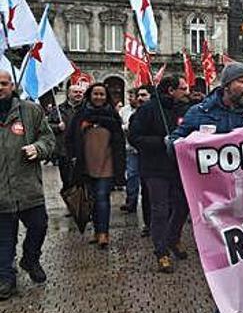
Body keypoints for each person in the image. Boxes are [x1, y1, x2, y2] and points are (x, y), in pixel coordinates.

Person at [168, 62, 243, 313]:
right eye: (241, 81)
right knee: (223, 258)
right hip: (215, 202)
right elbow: (179, 141)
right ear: (226, 86)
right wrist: (174, 143)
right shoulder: (200, 112)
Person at [0, 70, 55, 300]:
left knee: (39, 226)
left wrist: (38, 148)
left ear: (12, 85)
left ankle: (30, 258)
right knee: (4, 239)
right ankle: (6, 279)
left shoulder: (30, 111)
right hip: (1, 193)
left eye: (3, 83)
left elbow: (49, 140)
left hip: (27, 187)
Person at [129, 75, 192, 273]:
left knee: (182, 206)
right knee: (160, 210)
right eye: (182, 88)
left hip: (178, 167)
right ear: (171, 90)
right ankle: (161, 251)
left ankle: (173, 238)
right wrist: (161, 141)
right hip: (155, 168)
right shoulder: (148, 109)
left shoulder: (184, 108)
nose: (186, 92)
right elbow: (134, 137)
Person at [66, 83, 126, 249]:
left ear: (106, 96)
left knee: (102, 198)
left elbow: (120, 142)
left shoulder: (113, 116)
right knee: (91, 199)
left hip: (107, 163)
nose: (98, 97)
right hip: (85, 163)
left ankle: (103, 233)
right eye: (95, 94)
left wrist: (121, 165)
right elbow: (70, 138)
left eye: (102, 94)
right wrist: (72, 157)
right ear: (90, 96)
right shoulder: (81, 115)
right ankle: (96, 229)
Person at [48, 84, 85, 193]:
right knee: (67, 181)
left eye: (80, 92)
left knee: (82, 181)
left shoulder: (86, 109)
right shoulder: (59, 110)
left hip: (82, 151)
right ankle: (72, 203)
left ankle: (84, 205)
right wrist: (57, 127)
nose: (78, 94)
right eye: (75, 92)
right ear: (68, 94)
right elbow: (47, 126)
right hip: (64, 151)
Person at [120, 87, 150, 214]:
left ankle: (147, 203)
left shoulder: (151, 110)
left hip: (147, 151)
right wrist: (126, 127)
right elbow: (119, 125)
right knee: (132, 176)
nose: (138, 98)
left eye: (143, 95)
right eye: (137, 95)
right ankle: (131, 202)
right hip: (131, 149)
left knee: (147, 180)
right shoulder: (124, 111)